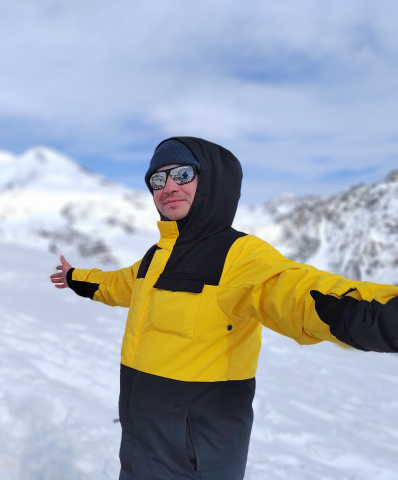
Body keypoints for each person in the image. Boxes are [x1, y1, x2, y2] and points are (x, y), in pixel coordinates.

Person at [49, 136, 398, 480]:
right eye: (158, 179)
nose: (168, 186)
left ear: (211, 181)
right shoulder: (158, 256)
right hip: (143, 444)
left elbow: (303, 294)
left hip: (196, 457)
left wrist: (386, 315)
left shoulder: (239, 256)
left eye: (183, 174)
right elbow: (118, 285)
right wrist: (75, 276)